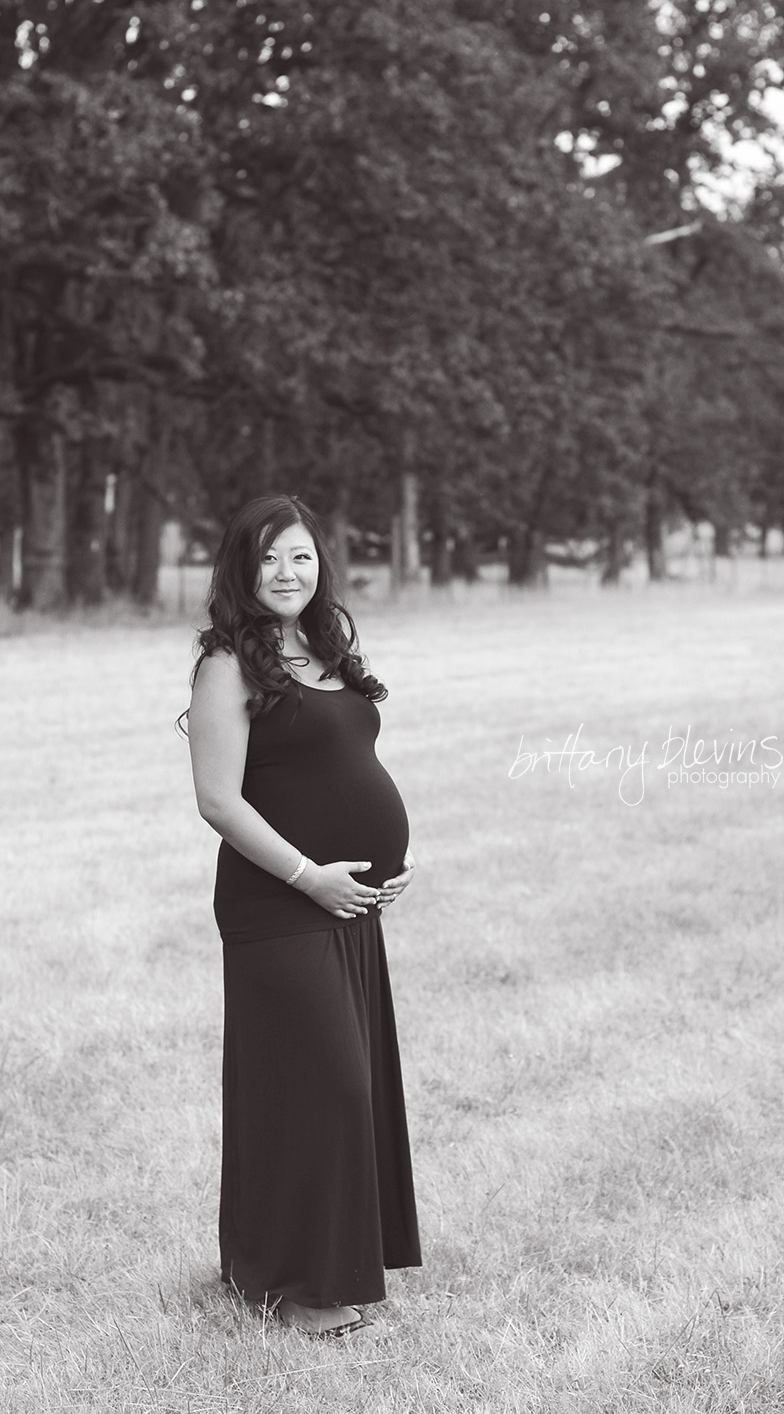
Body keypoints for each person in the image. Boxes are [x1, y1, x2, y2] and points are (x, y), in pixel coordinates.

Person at [186, 493, 421, 1337]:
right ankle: (298, 1287)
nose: (287, 572)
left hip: (349, 907)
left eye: (301, 555)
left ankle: (289, 1266)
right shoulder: (227, 665)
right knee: (325, 1085)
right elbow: (218, 799)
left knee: (339, 1084)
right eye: (268, 557)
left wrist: (391, 857)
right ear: (241, 569)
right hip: (277, 905)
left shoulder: (326, 650)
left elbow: (347, 762)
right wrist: (308, 875)